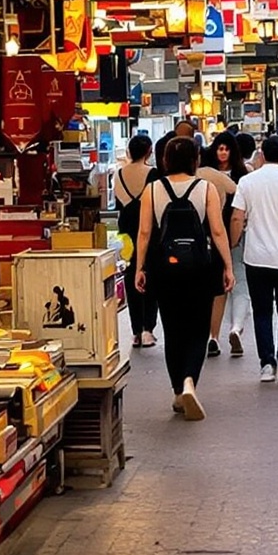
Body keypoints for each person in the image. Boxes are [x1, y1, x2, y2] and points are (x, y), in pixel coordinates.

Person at [134, 134, 234, 421]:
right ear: (195, 159)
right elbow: (217, 231)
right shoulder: (206, 188)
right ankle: (191, 380)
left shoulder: (152, 189)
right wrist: (227, 266)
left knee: (173, 327)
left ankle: (178, 389)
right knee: (198, 328)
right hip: (200, 267)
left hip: (164, 268)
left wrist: (140, 268)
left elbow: (144, 233)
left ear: (165, 160)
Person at [231, 134, 278, 385]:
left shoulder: (247, 181)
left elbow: (237, 217)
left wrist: (234, 242)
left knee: (262, 312)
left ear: (262, 155)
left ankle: (266, 365)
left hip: (257, 256)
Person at [199, 133, 243, 357]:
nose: (222, 152)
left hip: (218, 238)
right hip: (219, 238)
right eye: (219, 148)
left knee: (219, 288)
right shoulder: (222, 178)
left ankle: (211, 336)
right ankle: (212, 335)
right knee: (219, 288)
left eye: (226, 149)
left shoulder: (198, 176)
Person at [112, 133, 158, 351]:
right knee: (150, 276)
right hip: (150, 230)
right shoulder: (154, 174)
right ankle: (149, 329)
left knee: (131, 275)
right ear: (149, 150)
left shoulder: (118, 174)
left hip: (126, 232)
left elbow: (119, 203)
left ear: (129, 151)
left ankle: (136, 332)